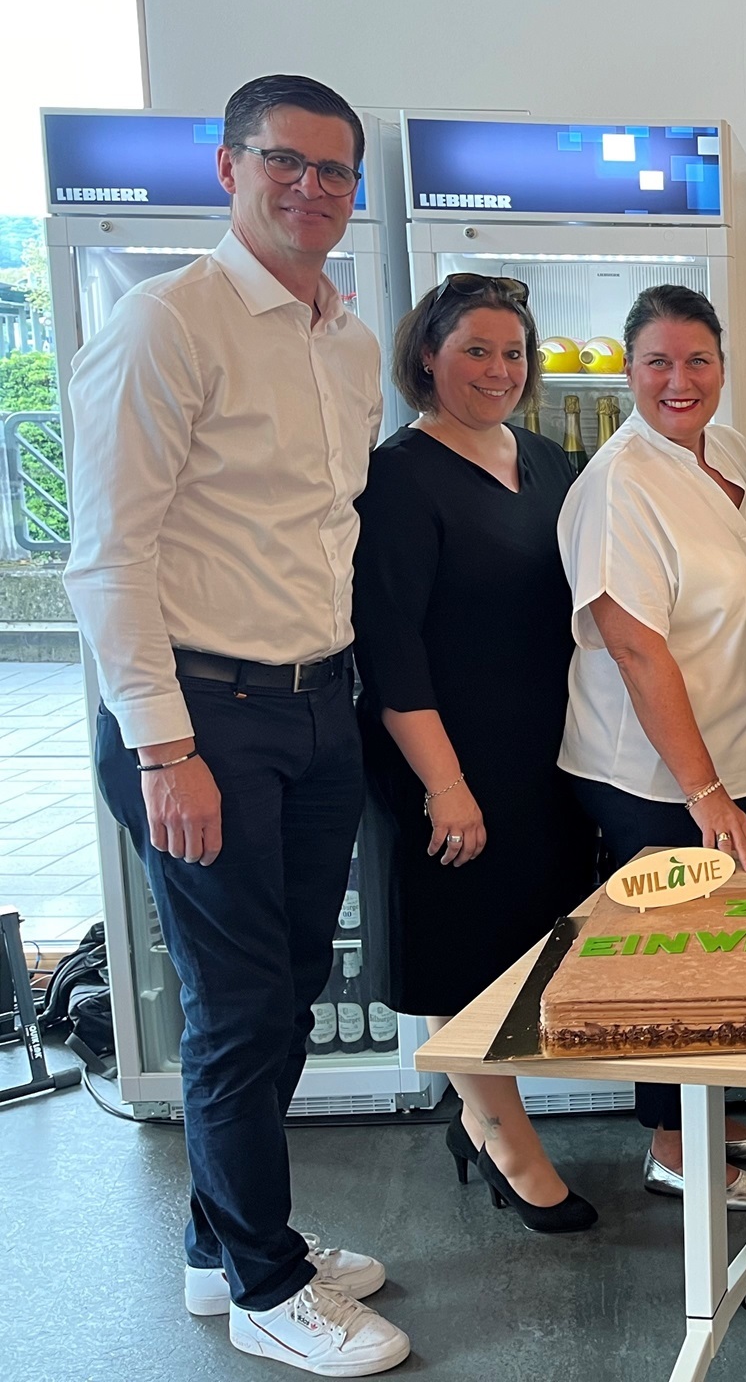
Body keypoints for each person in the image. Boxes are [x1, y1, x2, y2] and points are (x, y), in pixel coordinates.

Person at [66, 75, 409, 1373]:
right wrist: (165, 747)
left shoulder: (347, 337)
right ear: (229, 167)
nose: (313, 190)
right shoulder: (169, 324)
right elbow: (107, 558)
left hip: (319, 704)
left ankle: (227, 1247)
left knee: (291, 989)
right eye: (287, 163)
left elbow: (320, 533)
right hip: (200, 718)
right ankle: (269, 1285)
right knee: (239, 1005)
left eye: (336, 171)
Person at [351, 275, 599, 1235]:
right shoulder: (399, 476)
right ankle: (506, 1140)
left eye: (513, 353)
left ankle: (481, 1113)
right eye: (475, 352)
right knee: (465, 959)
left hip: (542, 755)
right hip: (446, 763)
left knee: (525, 951)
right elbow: (391, 648)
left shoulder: (543, 460)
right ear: (426, 358)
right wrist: (445, 786)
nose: (500, 370)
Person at [558, 285, 746, 1213]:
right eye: (658, 361)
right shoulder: (620, 483)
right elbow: (634, 645)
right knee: (674, 966)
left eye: (698, 360)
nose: (679, 380)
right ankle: (669, 1140)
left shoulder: (726, 452)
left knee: (732, 955)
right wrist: (704, 794)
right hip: (659, 778)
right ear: (628, 370)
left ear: (722, 368)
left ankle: (712, 1111)